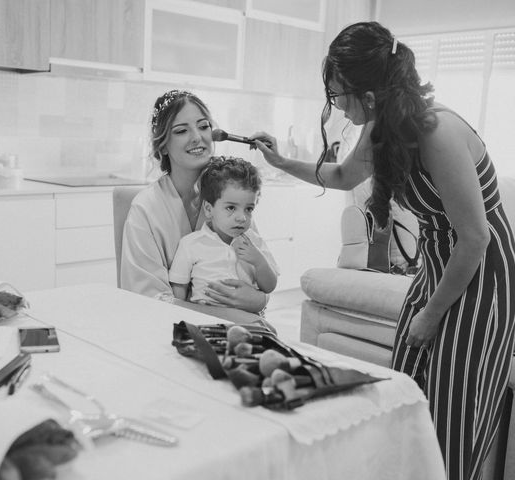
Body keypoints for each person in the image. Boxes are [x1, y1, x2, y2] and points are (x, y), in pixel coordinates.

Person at [250, 21, 515, 480]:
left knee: (450, 415)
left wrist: (431, 315)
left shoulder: (438, 133)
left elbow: (475, 239)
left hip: (481, 278)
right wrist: (278, 161)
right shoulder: (382, 128)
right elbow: (340, 178)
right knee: (405, 395)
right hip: (437, 265)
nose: (336, 105)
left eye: (339, 97)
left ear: (369, 96)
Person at [120, 90, 270, 325]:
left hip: (236, 329)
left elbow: (257, 277)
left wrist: (258, 301)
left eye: (203, 126)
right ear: (163, 145)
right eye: (181, 131)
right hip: (166, 330)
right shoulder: (145, 209)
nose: (197, 137)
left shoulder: (230, 199)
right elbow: (147, 299)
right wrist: (236, 315)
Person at [169, 156, 279, 306]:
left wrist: (259, 262)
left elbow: (269, 287)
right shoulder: (191, 244)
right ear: (208, 209)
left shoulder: (254, 242)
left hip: (244, 316)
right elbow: (179, 288)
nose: (242, 218)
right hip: (204, 317)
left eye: (249, 209)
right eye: (231, 208)